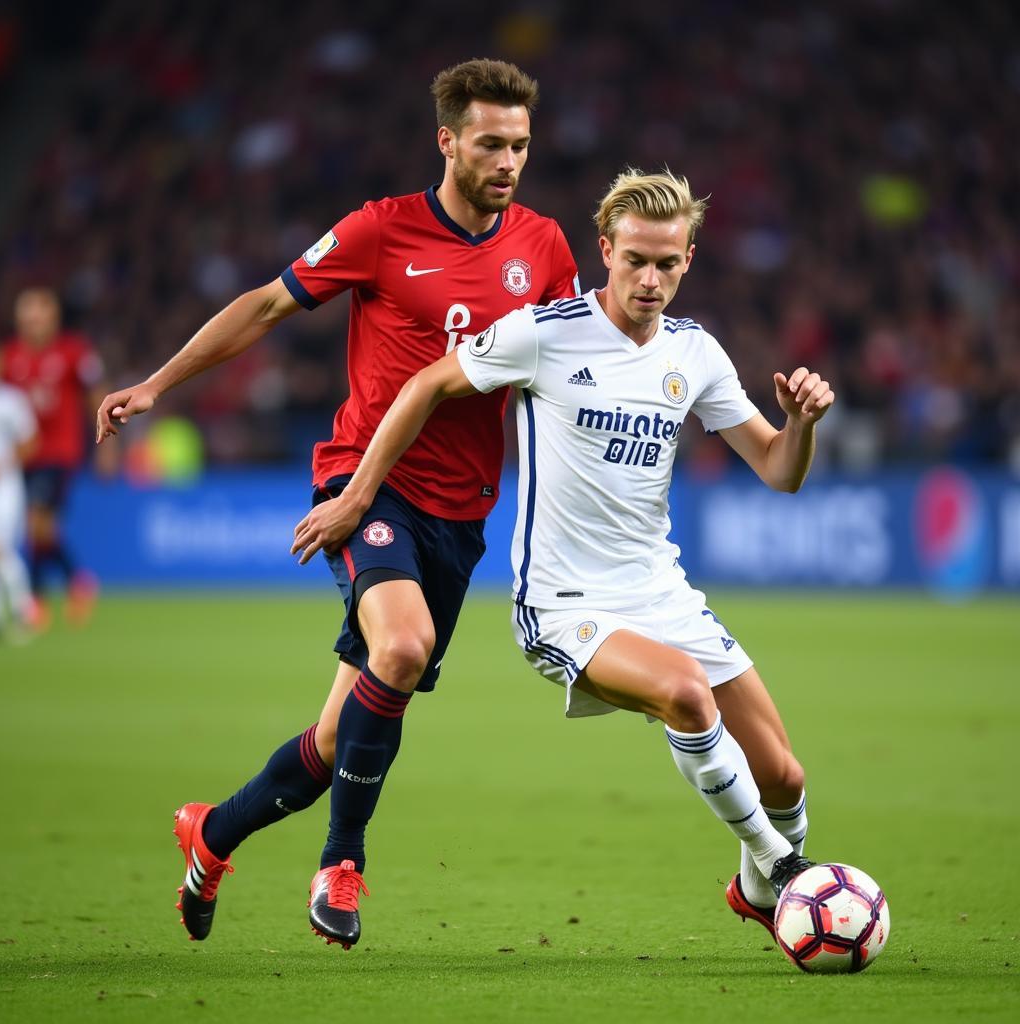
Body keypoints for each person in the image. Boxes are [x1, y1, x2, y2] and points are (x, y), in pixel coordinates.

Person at [95, 58, 579, 949]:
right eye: (490, 143)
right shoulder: (381, 230)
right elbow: (264, 307)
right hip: (364, 483)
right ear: (447, 141)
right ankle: (342, 865)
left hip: (461, 513)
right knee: (402, 646)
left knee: (331, 742)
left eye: (520, 144)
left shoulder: (544, 249)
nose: (509, 160)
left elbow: (567, 377)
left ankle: (212, 835)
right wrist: (158, 383)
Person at [294, 169, 836, 939]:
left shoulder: (697, 353)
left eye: (668, 264)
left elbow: (780, 472)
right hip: (564, 606)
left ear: (689, 261)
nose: (650, 280)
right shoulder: (542, 333)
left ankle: (755, 889)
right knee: (687, 693)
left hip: (661, 595)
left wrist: (801, 423)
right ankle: (782, 868)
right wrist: (354, 494)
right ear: (605, 251)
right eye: (635, 260)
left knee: (784, 775)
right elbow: (423, 386)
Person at [0, 287, 104, 628]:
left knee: (36, 521)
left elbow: (96, 394)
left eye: (39, 314)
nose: (33, 321)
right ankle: (67, 584)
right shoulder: (9, 356)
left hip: (60, 451)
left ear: (53, 316)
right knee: (38, 529)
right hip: (20, 455)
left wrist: (109, 442)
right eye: (27, 315)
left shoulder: (74, 352)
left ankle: (47, 591)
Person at [0, 345, 38, 640]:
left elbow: (30, 441)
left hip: (5, 485)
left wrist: (4, 465)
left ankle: (26, 610)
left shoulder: (10, 401)